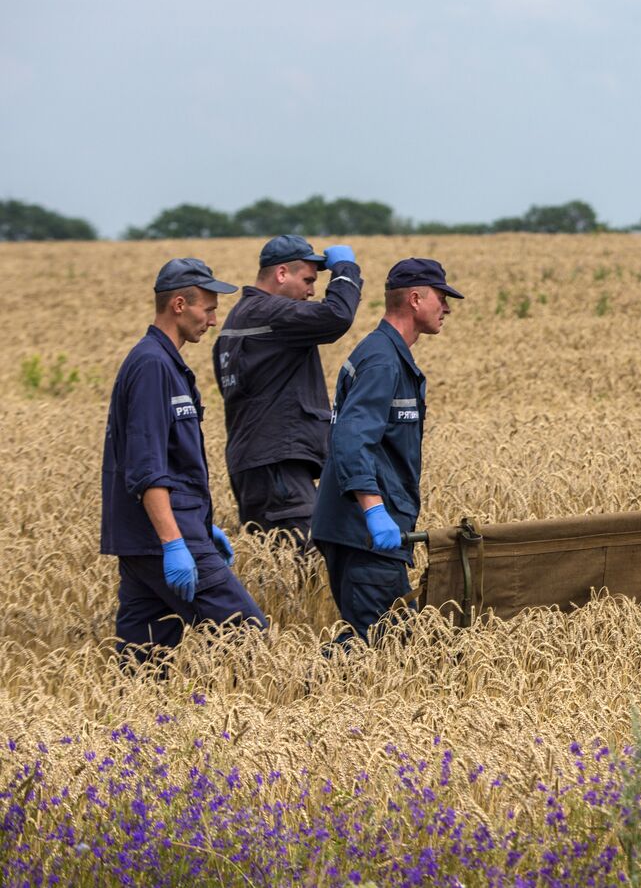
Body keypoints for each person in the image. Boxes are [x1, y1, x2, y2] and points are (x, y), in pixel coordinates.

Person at [101, 258, 268, 656]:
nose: (213, 320)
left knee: (144, 662)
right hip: (163, 539)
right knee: (249, 640)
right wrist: (176, 541)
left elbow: (170, 461)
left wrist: (201, 525)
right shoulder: (152, 365)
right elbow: (147, 467)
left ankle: (137, 702)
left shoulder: (163, 363)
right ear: (179, 305)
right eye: (207, 309)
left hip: (152, 539)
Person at [310, 257, 463, 641]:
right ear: (415, 299)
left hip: (359, 530)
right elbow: (351, 438)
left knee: (378, 641)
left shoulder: (385, 353)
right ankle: (306, 678)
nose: (446, 308)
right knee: (386, 644)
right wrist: (375, 512)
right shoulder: (382, 360)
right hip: (362, 532)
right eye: (441, 297)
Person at [212, 235, 363, 546]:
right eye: (308, 280)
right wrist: (346, 272)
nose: (312, 291)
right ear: (281, 273)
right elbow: (336, 316)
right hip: (278, 466)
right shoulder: (271, 313)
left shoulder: (236, 320)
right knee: (303, 560)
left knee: (276, 558)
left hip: (256, 464)